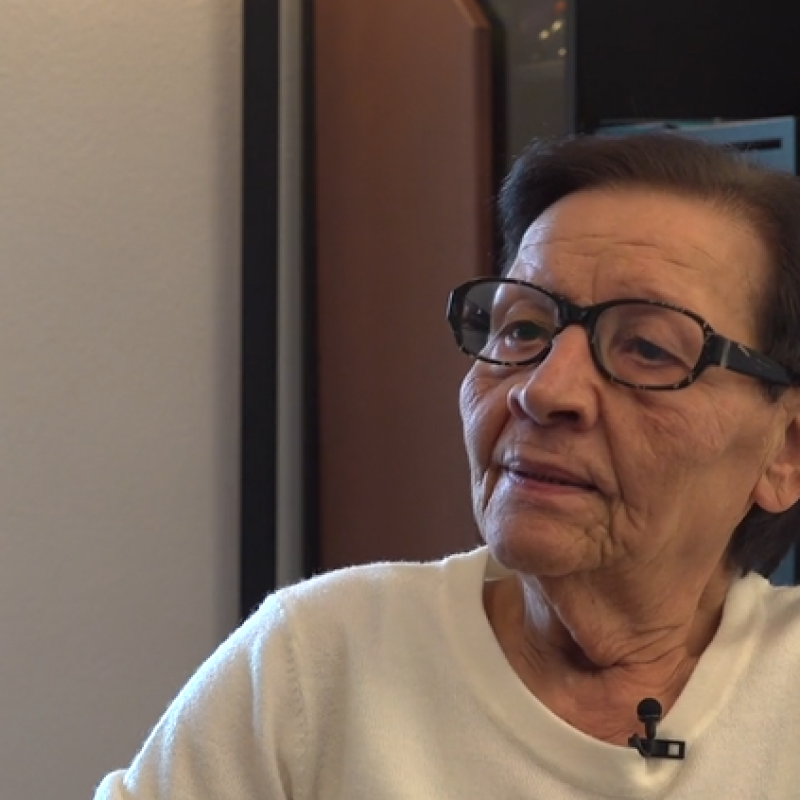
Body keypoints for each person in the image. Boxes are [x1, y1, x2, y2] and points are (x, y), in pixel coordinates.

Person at [95, 133, 800, 799]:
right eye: (524, 329)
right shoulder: (316, 662)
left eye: (647, 349)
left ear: (786, 450)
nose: (543, 391)